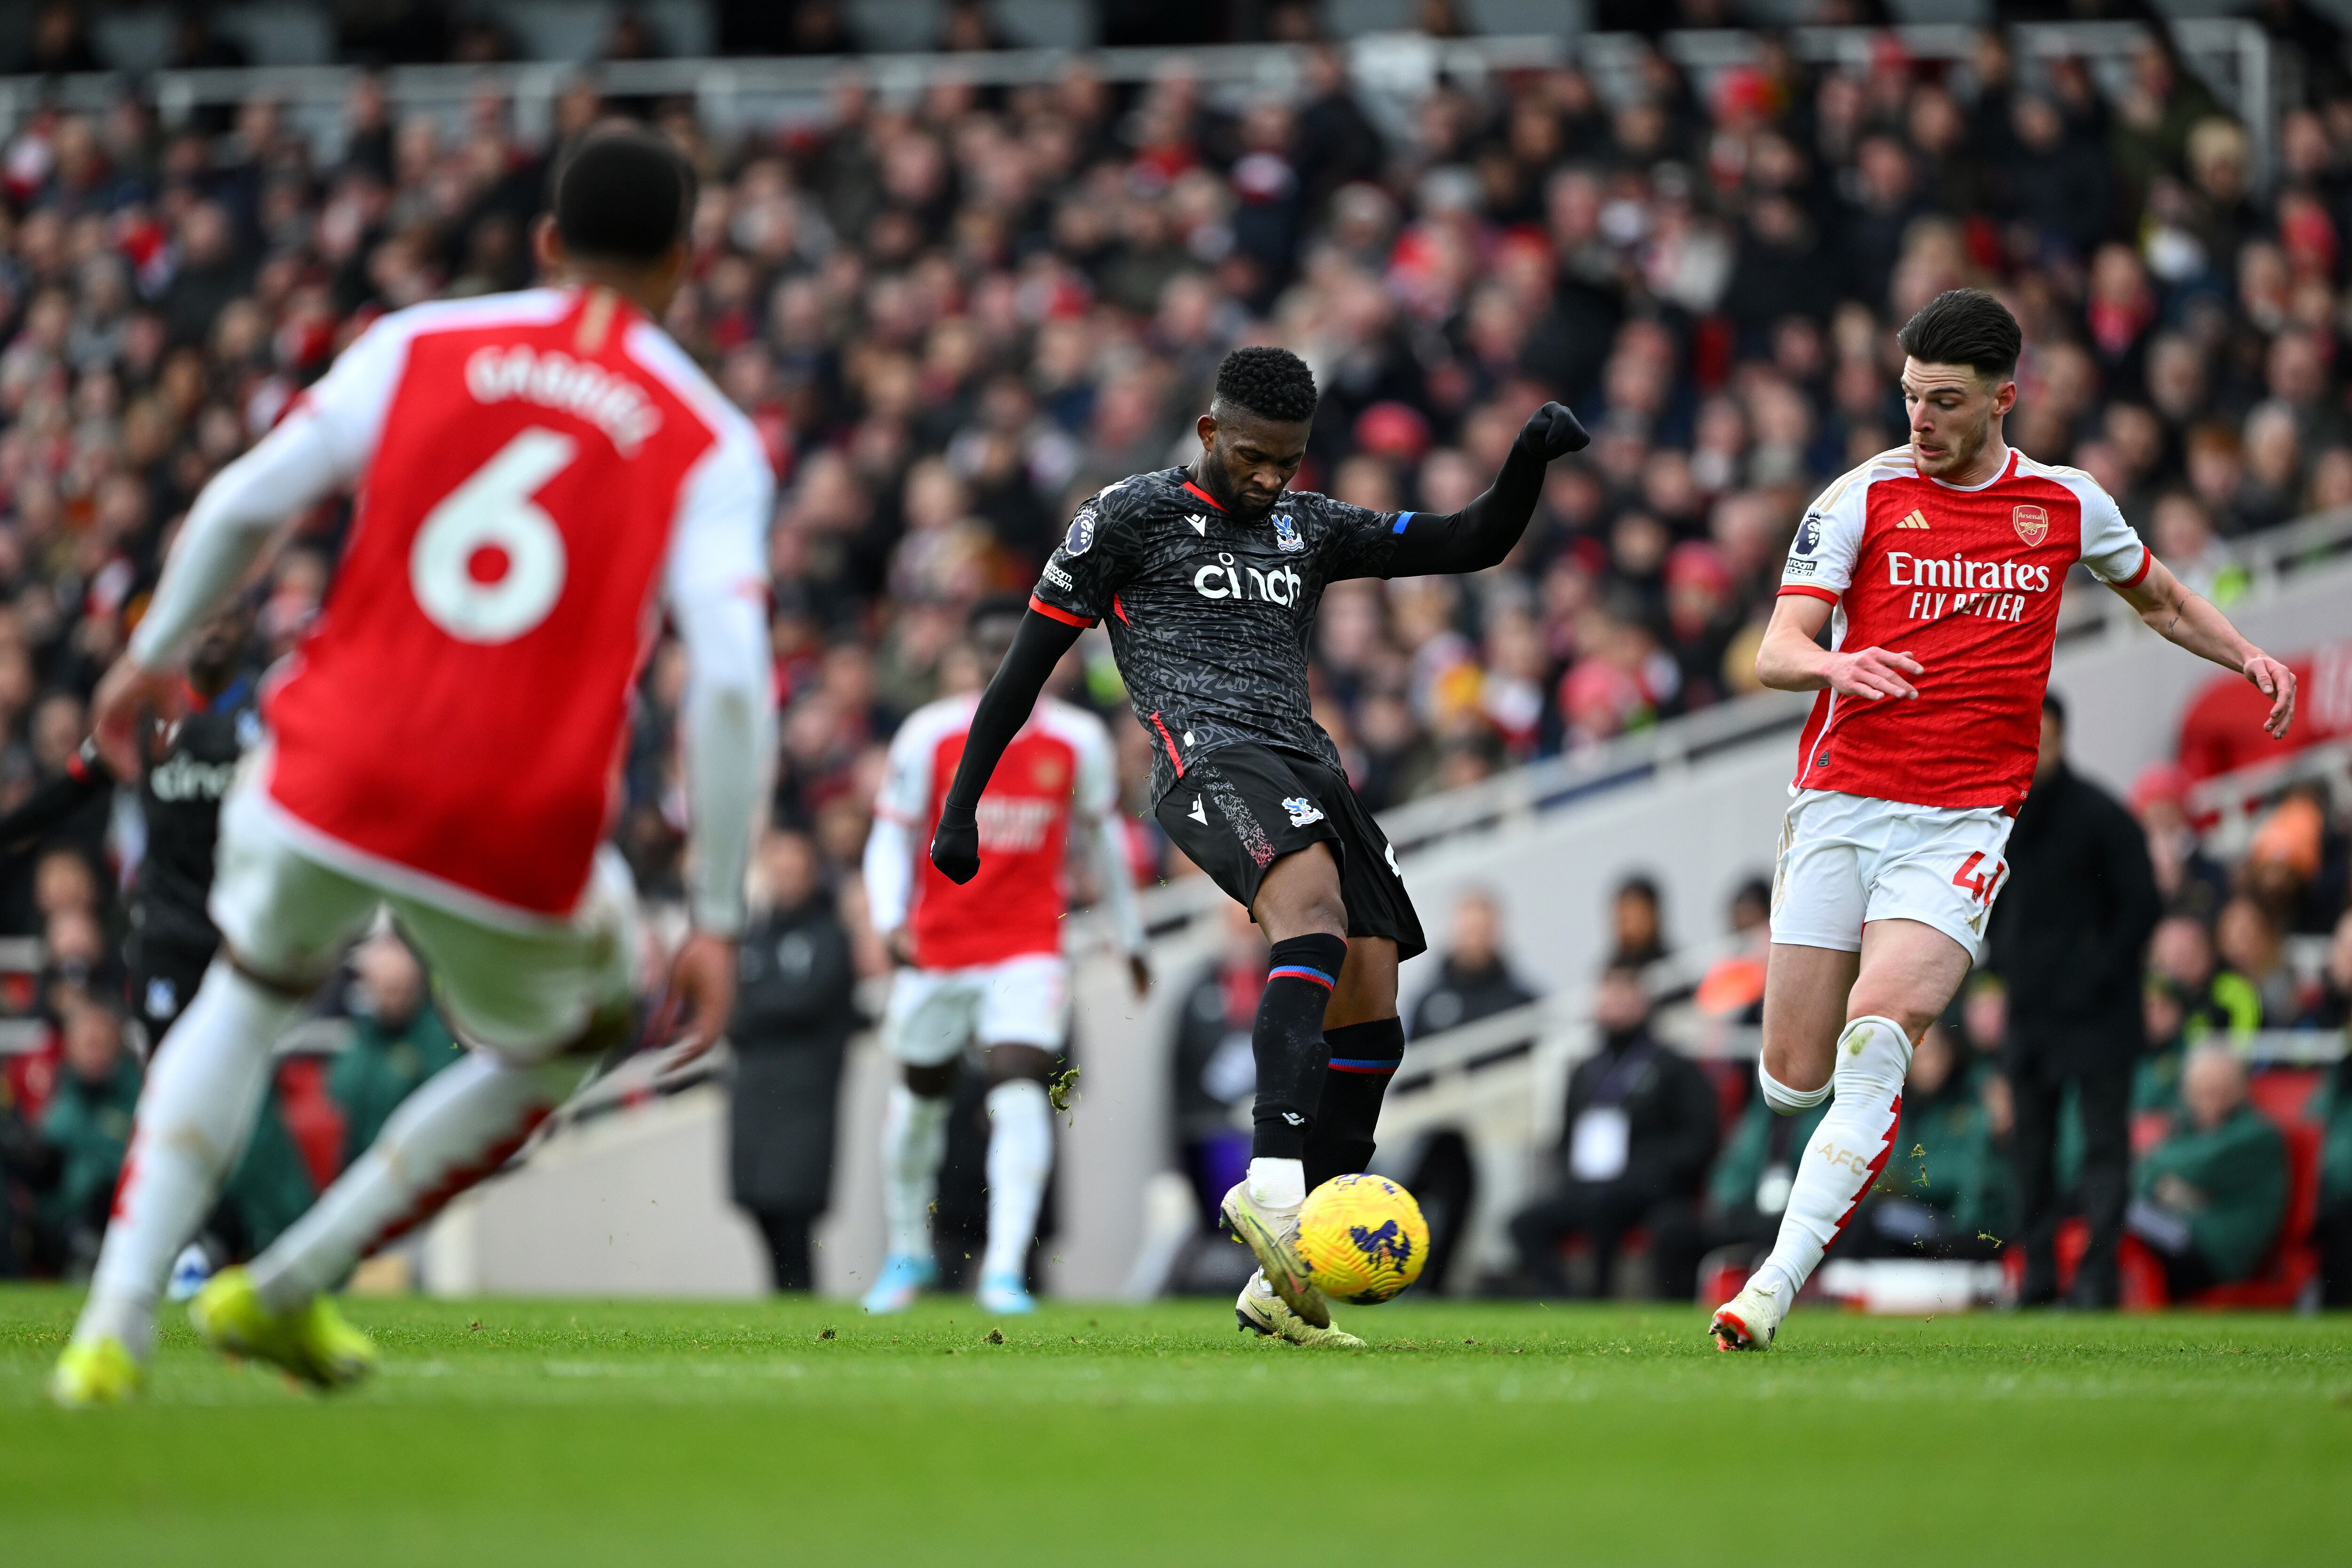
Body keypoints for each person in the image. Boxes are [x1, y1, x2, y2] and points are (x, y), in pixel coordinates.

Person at [50, 127, 774, 1405]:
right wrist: (716, 907)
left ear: (546, 242)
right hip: (516, 815)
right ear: (684, 264)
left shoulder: (420, 342)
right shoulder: (708, 437)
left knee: (253, 984)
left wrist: (154, 653)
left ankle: (111, 1328)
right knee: (579, 1030)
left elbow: (243, 499)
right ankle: (285, 1286)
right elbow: (725, 676)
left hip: (325, 759)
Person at [924, 345, 1589, 1344]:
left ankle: (1290, 1277)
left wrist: (1528, 460)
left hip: (1308, 765)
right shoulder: (1125, 517)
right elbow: (1023, 669)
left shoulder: (1306, 526)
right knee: (1311, 919)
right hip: (1203, 759)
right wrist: (961, 804)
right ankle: (1270, 1185)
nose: (1271, 477)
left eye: (1288, 459)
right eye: (1253, 456)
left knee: (1372, 1003)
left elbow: (1470, 541)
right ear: (1208, 432)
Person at [1711, 288, 2298, 1351]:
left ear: (2002, 401)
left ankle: (1767, 1289)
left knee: (1880, 1039)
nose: (1918, 422)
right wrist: (1840, 661)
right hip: (1841, 805)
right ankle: (1810, 1162)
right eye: (1907, 398)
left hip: (1962, 824)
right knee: (1791, 1080)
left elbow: (2160, 600)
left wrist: (2246, 652)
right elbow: (1773, 650)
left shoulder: (2065, 503)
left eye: (1942, 402)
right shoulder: (1860, 498)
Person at [860, 598, 1148, 1315]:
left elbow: (1102, 841)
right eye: (991, 649)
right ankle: (907, 1252)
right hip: (939, 949)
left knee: (1020, 1089)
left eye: (1017, 648)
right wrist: (891, 920)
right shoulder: (928, 735)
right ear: (971, 658)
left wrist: (1131, 933)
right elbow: (888, 839)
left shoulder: (1077, 741)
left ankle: (1006, 1269)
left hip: (1028, 948)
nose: (1004, 662)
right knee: (918, 1103)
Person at [1986, 690, 2161, 1307]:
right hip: (2031, 1016)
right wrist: (1994, 973)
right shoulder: (2000, 820)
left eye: (2046, 737)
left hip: (2098, 1018)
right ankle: (2036, 1278)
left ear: (2063, 738)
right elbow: (1988, 908)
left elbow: (2142, 907)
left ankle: (2097, 1279)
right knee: (2030, 1152)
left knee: (2102, 1149)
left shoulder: (2102, 817)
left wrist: (2093, 972)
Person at [1507, 963, 1718, 1298]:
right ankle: (1562, 1298)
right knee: (1523, 1223)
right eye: (1608, 995)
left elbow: (1700, 1139)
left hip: (1650, 1188)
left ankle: (1599, 1296)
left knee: (1606, 1205)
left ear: (1643, 1001)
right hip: (1589, 1185)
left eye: (1624, 994)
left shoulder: (1675, 1068)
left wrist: (1648, 1166)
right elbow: (1566, 1139)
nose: (1614, 1004)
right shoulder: (1584, 1071)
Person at [728, 828, 859, 1294]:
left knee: (795, 1220)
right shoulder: (750, 937)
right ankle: (786, 1304)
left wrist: (756, 1008)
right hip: (754, 1097)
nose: (784, 876)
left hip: (804, 1101)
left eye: (793, 865)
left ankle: (800, 1306)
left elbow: (804, 1000)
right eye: (775, 865)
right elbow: (730, 1007)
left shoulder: (829, 937)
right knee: (761, 1213)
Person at [2126, 1044, 2289, 1299]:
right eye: (2201, 1092)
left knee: (2121, 1209)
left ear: (2240, 1090)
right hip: (2186, 1233)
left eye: (2220, 1091)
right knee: (2116, 1208)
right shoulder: (2188, 1129)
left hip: (2217, 1252)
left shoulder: (2257, 1135)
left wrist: (2163, 1180)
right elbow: (2146, 1175)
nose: (2210, 1101)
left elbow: (2195, 1165)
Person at [326, 934, 462, 1164]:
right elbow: (339, 1094)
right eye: (386, 990)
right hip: (363, 1164)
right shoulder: (363, 1036)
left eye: (402, 990)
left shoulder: (443, 1034)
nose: (394, 1000)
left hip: (420, 1161)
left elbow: (445, 1097)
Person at [36, 1001, 140, 1274]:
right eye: (88, 1044)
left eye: (102, 1043)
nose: (95, 1054)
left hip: (126, 1223)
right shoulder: (58, 1104)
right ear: (70, 1047)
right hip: (68, 1232)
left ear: (117, 1046)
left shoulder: (139, 1100)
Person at [1409, 889, 1538, 1037]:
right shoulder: (1428, 1005)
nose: (1476, 941)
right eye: (1470, 931)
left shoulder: (1520, 1001)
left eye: (1482, 931)